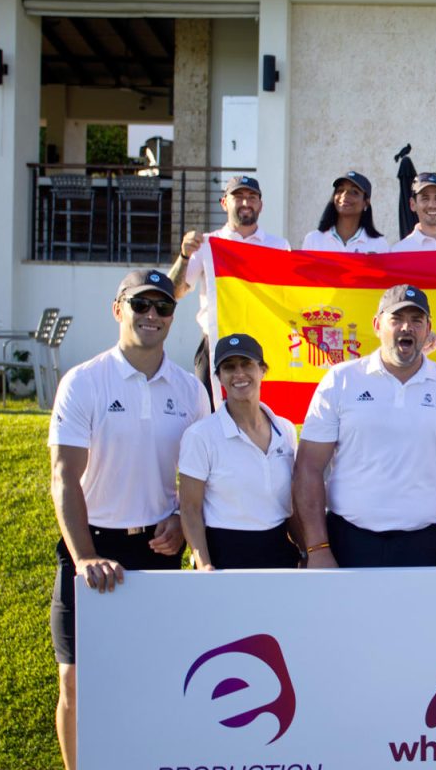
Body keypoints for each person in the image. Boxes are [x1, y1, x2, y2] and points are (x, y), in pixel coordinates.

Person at [42, 269, 209, 770]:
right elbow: (64, 477)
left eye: (163, 306)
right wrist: (85, 555)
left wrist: (177, 525)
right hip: (91, 549)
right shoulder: (84, 381)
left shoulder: (191, 389)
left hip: (158, 548)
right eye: (141, 303)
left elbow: (197, 476)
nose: (153, 314)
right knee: (76, 681)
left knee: (158, 680)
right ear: (118, 309)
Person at [292, 284, 436, 568]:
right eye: (396, 319)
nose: (406, 328)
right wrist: (317, 548)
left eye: (416, 320)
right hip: (348, 544)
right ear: (377, 325)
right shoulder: (341, 380)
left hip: (427, 546)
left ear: (428, 329)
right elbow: (308, 468)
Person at [177, 334, 300, 570]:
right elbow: (190, 509)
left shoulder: (285, 430)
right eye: (229, 367)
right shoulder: (200, 435)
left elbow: (290, 502)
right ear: (219, 377)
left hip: (279, 551)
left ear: (263, 370)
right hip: (225, 553)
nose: (239, 374)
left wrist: (306, 550)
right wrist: (204, 565)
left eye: (247, 364)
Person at [167, 174, 290, 403]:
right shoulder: (206, 244)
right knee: (208, 412)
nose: (246, 202)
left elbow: (287, 298)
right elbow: (174, 292)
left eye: (252, 197)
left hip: (262, 344)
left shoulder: (279, 246)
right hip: (215, 343)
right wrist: (184, 256)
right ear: (224, 203)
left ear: (260, 204)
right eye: (239, 196)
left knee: (263, 413)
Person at [301, 171, 389, 253]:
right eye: (340, 190)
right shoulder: (313, 240)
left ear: (366, 202)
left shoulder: (379, 244)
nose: (345, 195)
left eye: (354, 192)